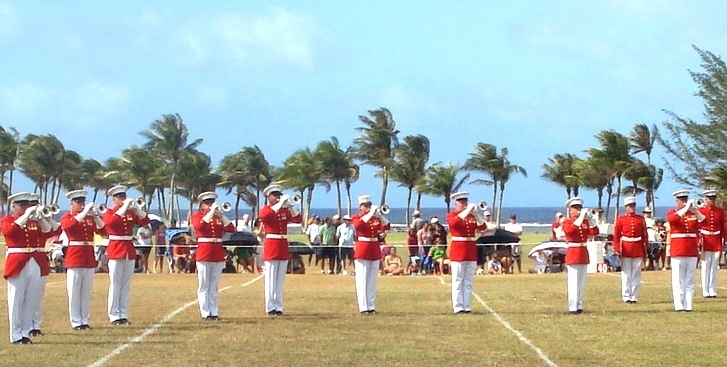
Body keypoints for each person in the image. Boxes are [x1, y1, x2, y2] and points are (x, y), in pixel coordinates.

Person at [2, 192, 55, 344]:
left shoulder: (33, 222)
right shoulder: (8, 219)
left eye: (27, 205)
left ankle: (25, 332)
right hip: (17, 261)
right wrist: (25, 216)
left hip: (34, 260)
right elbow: (9, 231)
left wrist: (41, 218)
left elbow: (48, 232)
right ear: (14, 206)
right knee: (16, 299)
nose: (25, 208)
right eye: (22, 205)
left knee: (31, 298)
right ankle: (15, 334)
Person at [102, 185, 150, 325]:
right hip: (116, 248)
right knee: (115, 284)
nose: (123, 199)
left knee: (125, 284)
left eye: (124, 196)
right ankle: (114, 315)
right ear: (114, 199)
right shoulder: (109, 212)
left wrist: (136, 209)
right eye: (120, 197)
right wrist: (124, 208)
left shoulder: (130, 212)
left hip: (128, 248)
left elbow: (145, 221)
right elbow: (111, 222)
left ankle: (122, 313)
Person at [61, 190, 106, 330]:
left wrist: (96, 216)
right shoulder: (67, 217)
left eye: (82, 202)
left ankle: (84, 319)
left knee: (86, 291)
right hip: (75, 255)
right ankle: (75, 321)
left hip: (88, 255)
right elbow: (69, 227)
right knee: (74, 291)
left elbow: (103, 231)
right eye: (78, 202)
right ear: (72, 203)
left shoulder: (88, 218)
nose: (81, 205)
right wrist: (84, 212)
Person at [191, 191, 236, 321]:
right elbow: (199, 226)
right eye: (207, 203)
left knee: (214, 285)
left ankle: (214, 311)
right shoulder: (197, 216)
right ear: (202, 205)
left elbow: (231, 229)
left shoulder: (218, 218)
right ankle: (205, 312)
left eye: (211, 202)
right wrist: (211, 213)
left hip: (217, 252)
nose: (210, 205)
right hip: (204, 252)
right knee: (204, 284)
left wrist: (221, 215)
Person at [259, 184, 302, 316]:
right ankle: (270, 306)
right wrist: (280, 204)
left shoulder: (283, 210)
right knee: (271, 278)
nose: (277, 197)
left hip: (282, 244)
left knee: (280, 279)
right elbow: (266, 217)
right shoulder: (266, 209)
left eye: (279, 195)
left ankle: (278, 306)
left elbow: (298, 219)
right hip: (272, 244)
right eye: (275, 195)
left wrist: (290, 206)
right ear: (268, 197)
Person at [27, 192, 62, 337]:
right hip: (25, 257)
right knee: (25, 294)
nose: (35, 207)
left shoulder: (40, 222)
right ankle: (26, 325)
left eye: (36, 203)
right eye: (31, 204)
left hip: (40, 258)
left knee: (37, 294)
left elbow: (57, 230)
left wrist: (45, 218)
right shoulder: (24, 221)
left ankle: (35, 324)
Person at [447, 191, 487, 314]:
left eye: (465, 202)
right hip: (458, 250)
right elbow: (454, 223)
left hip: (470, 249)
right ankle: (458, 306)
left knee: (468, 280)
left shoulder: (470, 216)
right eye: (462, 202)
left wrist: (476, 214)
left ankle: (467, 305)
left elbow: (483, 228)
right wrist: (467, 211)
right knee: (458, 280)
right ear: (456, 203)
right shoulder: (452, 214)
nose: (464, 204)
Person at [352, 194, 390, 314]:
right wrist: (370, 213)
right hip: (363, 250)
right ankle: (363, 307)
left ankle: (371, 305)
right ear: (360, 207)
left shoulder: (374, 219)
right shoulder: (357, 217)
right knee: (362, 280)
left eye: (369, 205)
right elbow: (359, 225)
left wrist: (379, 215)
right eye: (365, 206)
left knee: (372, 280)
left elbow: (387, 225)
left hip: (374, 249)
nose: (368, 207)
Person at [667, 189, 704, 312]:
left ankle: (689, 305)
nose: (684, 202)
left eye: (685, 200)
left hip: (691, 250)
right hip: (678, 250)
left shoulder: (692, 214)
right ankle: (679, 305)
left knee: (689, 279)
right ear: (677, 201)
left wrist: (695, 210)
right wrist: (685, 208)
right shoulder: (673, 212)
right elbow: (673, 220)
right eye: (682, 200)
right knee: (678, 280)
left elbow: (704, 221)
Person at [562, 197, 599, 315]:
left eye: (579, 208)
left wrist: (592, 220)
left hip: (583, 252)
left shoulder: (584, 222)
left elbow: (594, 233)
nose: (578, 210)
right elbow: (571, 231)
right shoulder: (567, 221)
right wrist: (581, 217)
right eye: (576, 208)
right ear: (570, 210)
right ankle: (572, 306)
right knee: (573, 281)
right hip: (573, 251)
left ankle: (579, 304)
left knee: (581, 281)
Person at [612, 196, 648, 304]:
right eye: (629, 206)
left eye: (633, 205)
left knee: (636, 273)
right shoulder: (621, 219)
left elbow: (644, 234)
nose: (632, 208)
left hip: (637, 247)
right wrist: (617, 248)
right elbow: (617, 235)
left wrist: (645, 247)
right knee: (626, 273)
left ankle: (634, 296)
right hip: (626, 248)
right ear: (626, 207)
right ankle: (626, 295)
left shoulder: (640, 219)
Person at [698, 189, 725, 298]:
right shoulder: (701, 211)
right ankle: (705, 290)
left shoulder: (720, 211)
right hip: (706, 239)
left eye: (713, 199)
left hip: (716, 239)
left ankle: (712, 289)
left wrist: (724, 239)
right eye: (710, 199)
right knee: (705, 265)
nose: (712, 201)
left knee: (714, 266)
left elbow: (724, 226)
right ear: (706, 199)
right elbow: (698, 226)